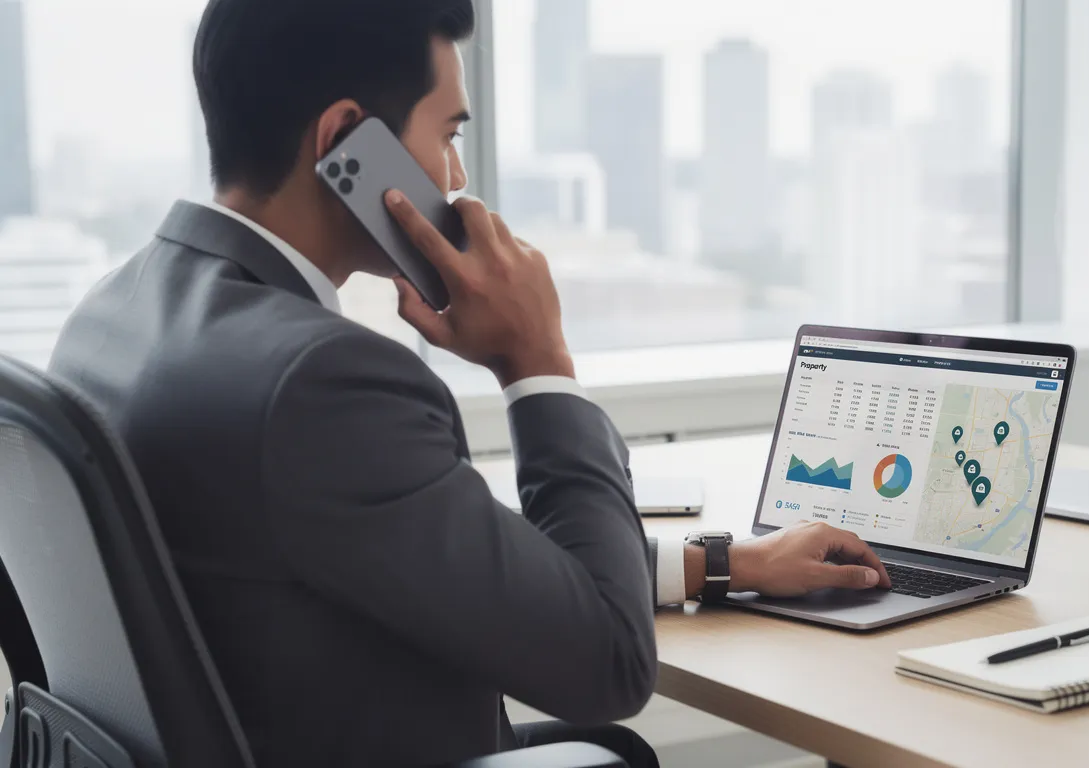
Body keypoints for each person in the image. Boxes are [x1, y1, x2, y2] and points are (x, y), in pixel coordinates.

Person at [46, 1, 892, 766]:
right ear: (346, 139)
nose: (454, 180)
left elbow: (412, 552)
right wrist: (539, 365)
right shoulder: (319, 383)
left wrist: (723, 563)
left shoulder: (112, 317)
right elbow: (609, 662)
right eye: (448, 134)